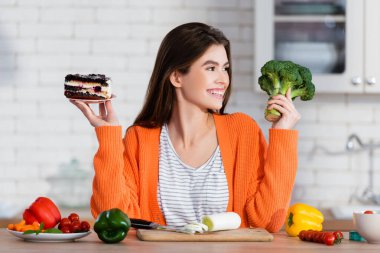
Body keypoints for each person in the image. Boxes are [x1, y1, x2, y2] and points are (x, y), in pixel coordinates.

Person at [70, 22, 300, 232]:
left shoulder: (242, 130)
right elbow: (112, 219)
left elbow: (268, 221)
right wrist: (109, 136)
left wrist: (283, 134)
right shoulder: (140, 138)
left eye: (225, 68)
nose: (224, 79)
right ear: (177, 77)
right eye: (211, 68)